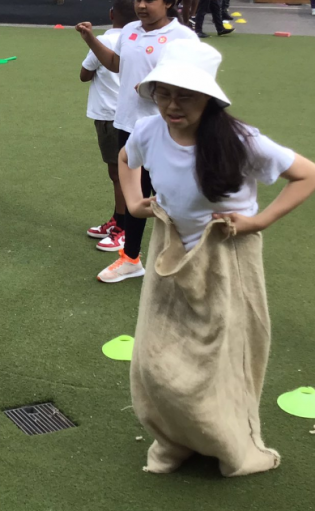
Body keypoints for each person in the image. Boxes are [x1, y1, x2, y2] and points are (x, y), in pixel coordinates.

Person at [120, 38, 315, 476]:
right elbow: (126, 158)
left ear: (208, 97)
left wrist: (259, 221)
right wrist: (134, 203)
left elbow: (306, 175)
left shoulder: (241, 141)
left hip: (227, 256)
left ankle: (229, 445)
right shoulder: (149, 130)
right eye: (164, 93)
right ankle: (174, 441)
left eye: (185, 96)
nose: (172, 105)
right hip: (170, 249)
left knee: (217, 362)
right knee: (154, 359)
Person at [76, 0, 198, 280]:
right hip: (129, 126)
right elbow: (116, 64)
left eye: (150, 0)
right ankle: (131, 258)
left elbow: (196, 83)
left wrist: (157, 89)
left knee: (172, 196)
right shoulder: (130, 30)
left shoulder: (183, 37)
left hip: (166, 130)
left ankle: (190, 258)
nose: (142, 6)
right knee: (137, 197)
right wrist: (90, 39)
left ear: (169, 2)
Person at [81, 0, 136, 251]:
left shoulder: (104, 41)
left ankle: (123, 228)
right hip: (126, 114)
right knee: (119, 173)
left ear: (112, 14)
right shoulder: (135, 40)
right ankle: (118, 219)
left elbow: (84, 74)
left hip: (109, 115)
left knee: (119, 174)